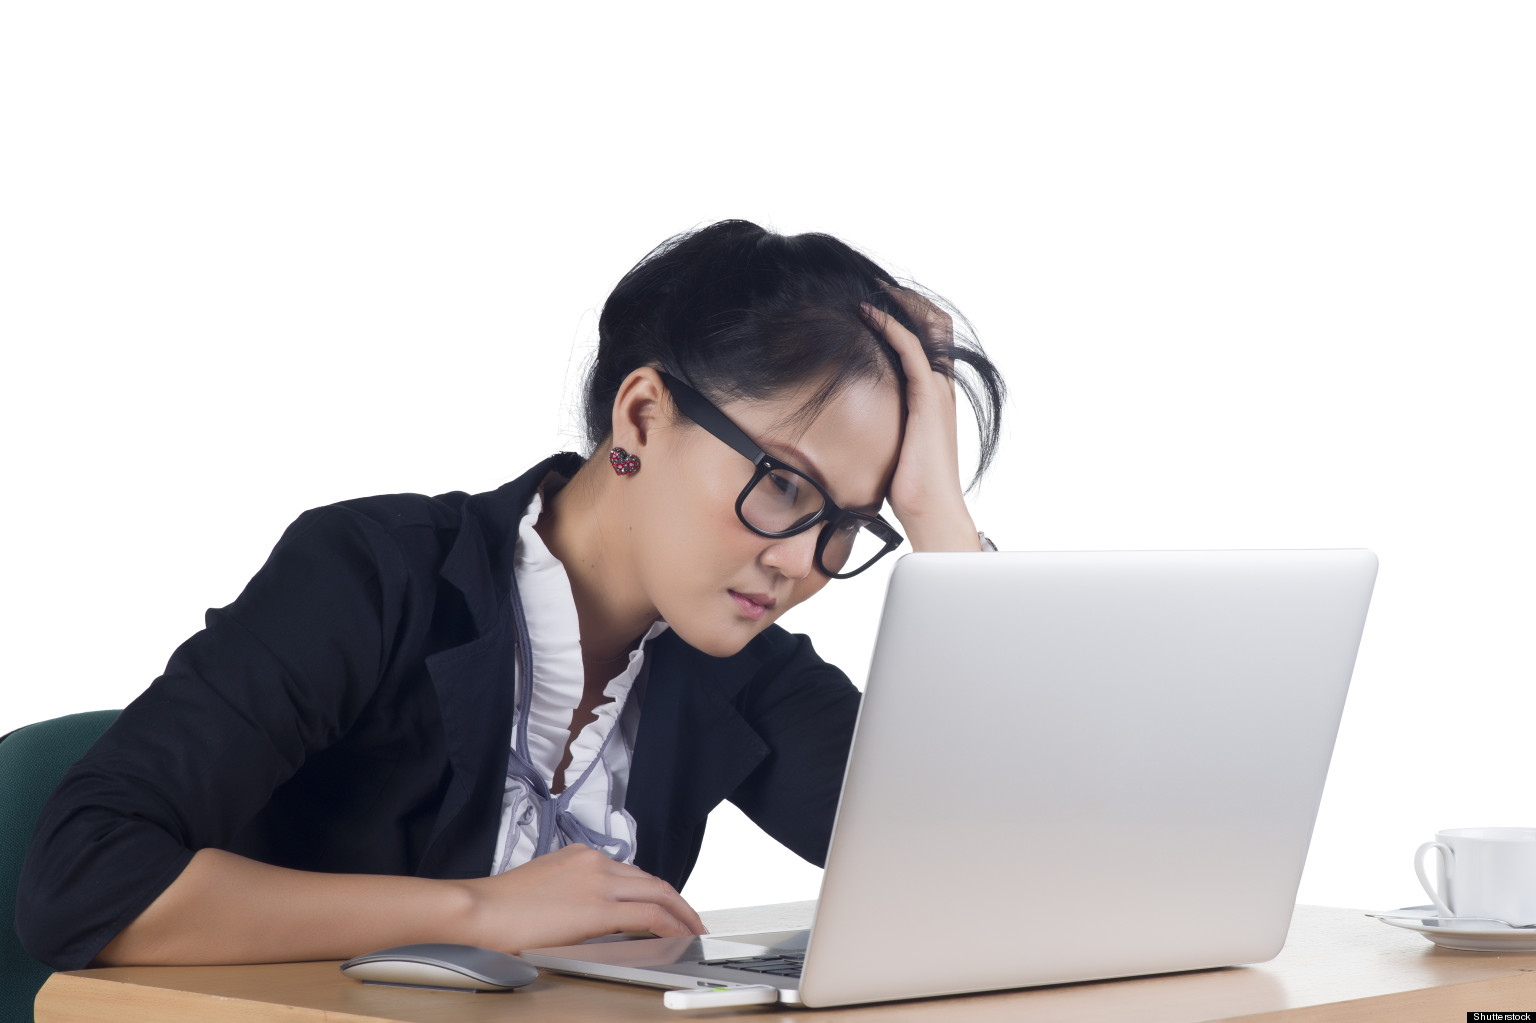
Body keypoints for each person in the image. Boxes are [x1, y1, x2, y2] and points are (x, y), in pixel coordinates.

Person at [17, 219, 1007, 970]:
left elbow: (990, 878)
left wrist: (942, 523)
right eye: (785, 487)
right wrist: (477, 914)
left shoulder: (739, 667)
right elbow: (80, 880)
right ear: (644, 414)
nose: (804, 563)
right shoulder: (374, 575)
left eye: (849, 524)